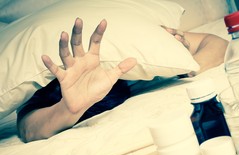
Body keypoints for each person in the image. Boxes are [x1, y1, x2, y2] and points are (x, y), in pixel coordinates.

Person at [17, 18, 228, 142]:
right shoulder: (43, 75)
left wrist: (181, 67)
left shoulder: (135, 35)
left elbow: (216, 43)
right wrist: (68, 109)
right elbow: (28, 128)